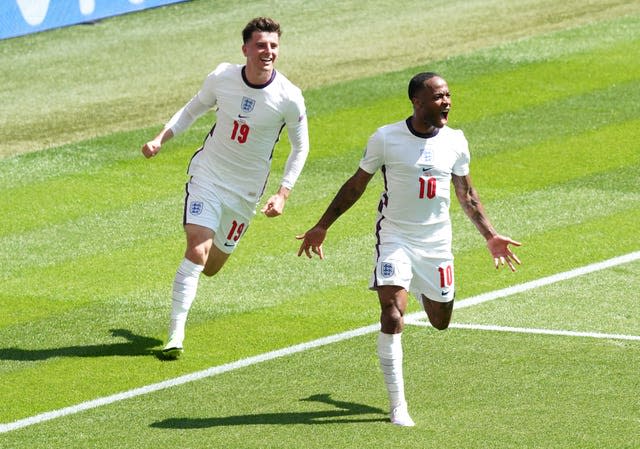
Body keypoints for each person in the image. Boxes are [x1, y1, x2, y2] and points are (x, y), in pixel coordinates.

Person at [296, 72, 521, 426]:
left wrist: (490, 235)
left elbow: (468, 194)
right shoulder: (386, 139)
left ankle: (415, 285)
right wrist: (322, 225)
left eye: (448, 94)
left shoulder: (456, 141)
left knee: (440, 321)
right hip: (396, 237)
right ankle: (398, 406)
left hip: (436, 244)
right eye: (438, 96)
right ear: (417, 102)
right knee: (391, 314)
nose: (446, 101)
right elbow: (356, 185)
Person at [141, 17, 309, 360]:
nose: (268, 52)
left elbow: (300, 147)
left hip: (245, 194)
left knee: (213, 266)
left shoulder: (289, 97)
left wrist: (283, 193)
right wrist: (161, 138)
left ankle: (184, 304)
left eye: (274, 46)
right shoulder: (222, 77)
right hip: (209, 177)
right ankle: (175, 332)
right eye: (261, 45)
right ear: (245, 48)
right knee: (197, 250)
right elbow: (192, 111)